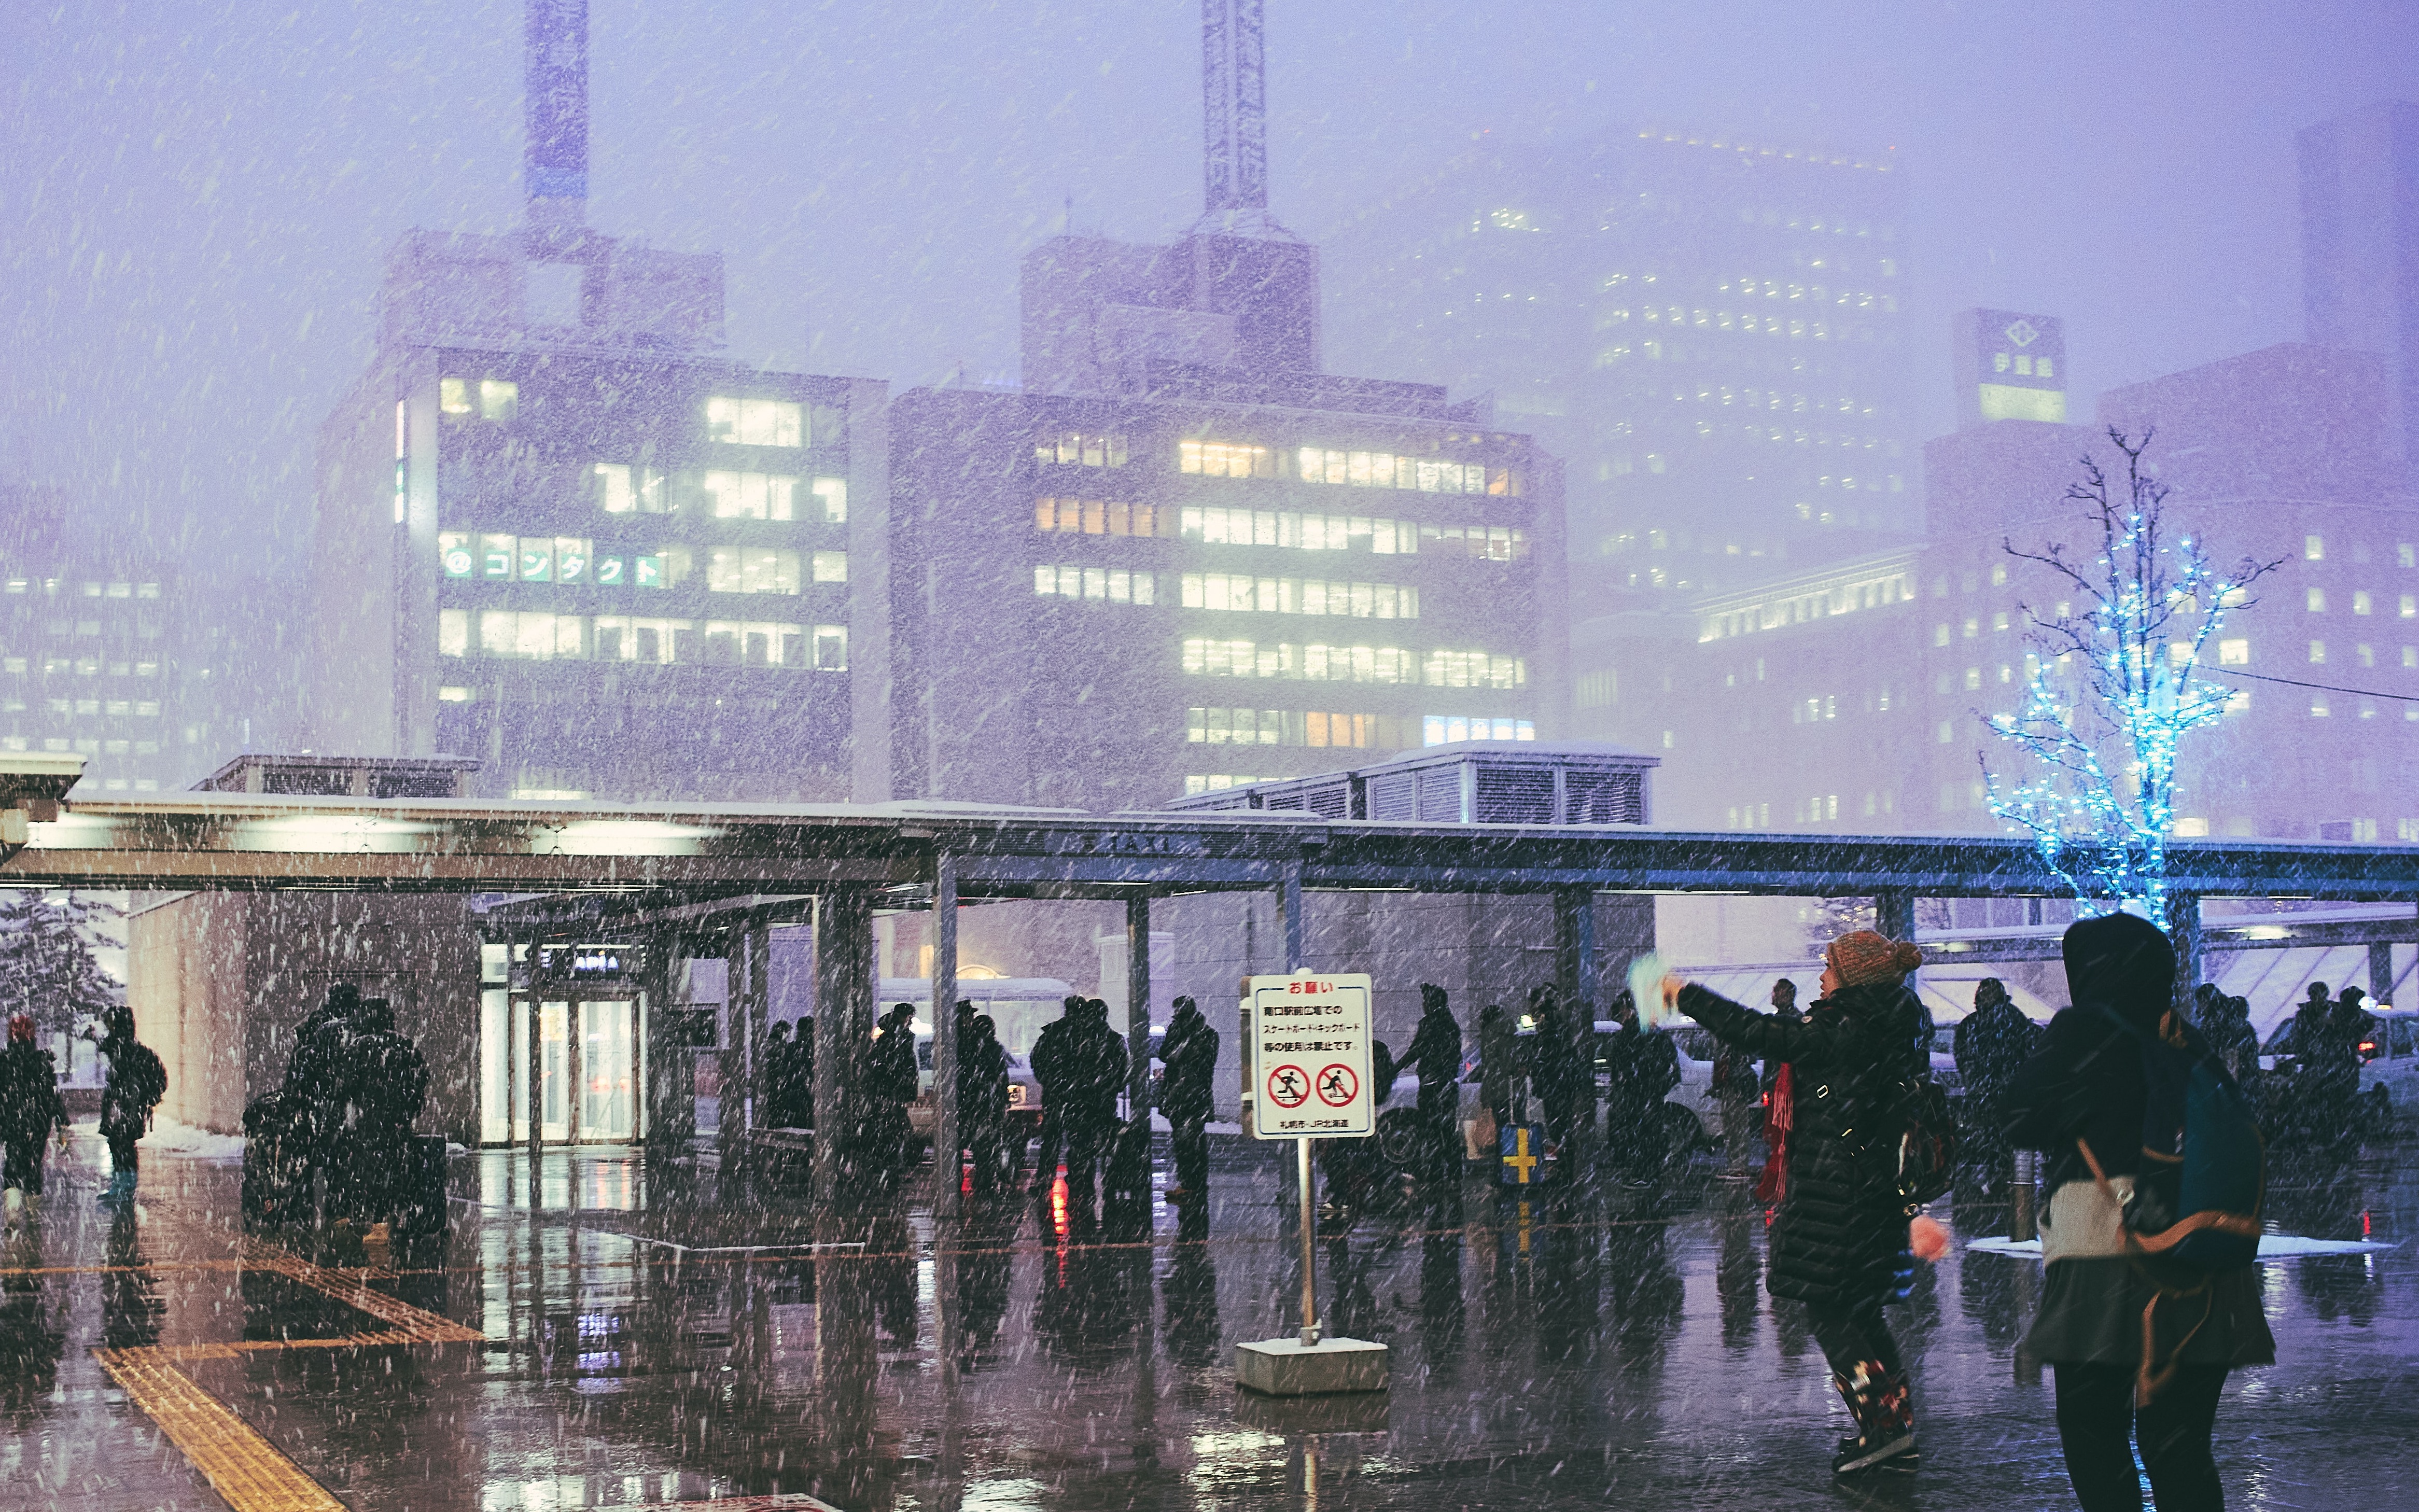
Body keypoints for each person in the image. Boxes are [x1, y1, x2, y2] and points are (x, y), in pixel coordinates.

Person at [2005, 913, 2274, 1512]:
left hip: (2107, 1256)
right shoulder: (2185, 1037)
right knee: (2178, 1443)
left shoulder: (2085, 1030)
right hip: (2202, 1254)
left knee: (2093, 1429)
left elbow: (2018, 1116)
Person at [1664, 930, 1931, 1476]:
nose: (1821, 977)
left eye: (1829, 968)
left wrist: (1686, 995)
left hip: (1842, 1194)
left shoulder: (1846, 1026)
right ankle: (1894, 1425)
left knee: (1832, 1314)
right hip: (1872, 1190)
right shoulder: (1890, 1020)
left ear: (1851, 977)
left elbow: (1760, 1032)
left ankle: (1881, 1429)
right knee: (1861, 1311)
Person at [340, 999, 428, 1226]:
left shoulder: (359, 1047)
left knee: (366, 1168)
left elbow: (347, 1085)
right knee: (398, 1165)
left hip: (369, 1121)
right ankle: (397, 1214)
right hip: (397, 1120)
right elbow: (421, 1077)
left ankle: (368, 1213)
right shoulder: (404, 1045)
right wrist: (410, 1106)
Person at [1954, 977, 2040, 1185]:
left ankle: (1985, 1189)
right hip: (2010, 1095)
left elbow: (1963, 1057)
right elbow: (2030, 1048)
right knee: (2008, 1146)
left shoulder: (1970, 1024)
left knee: (1983, 1146)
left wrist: (1975, 1082)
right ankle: (2008, 1187)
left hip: (1982, 1098)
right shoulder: (2015, 1019)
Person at [1600, 991, 1681, 1182]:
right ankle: (1648, 1172)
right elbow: (1669, 1066)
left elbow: (1629, 1063)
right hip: (1645, 1094)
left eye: (1622, 1013)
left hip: (1639, 1095)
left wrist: (1633, 1082)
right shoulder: (1649, 1032)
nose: (1620, 1019)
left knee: (1640, 1134)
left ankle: (1644, 1173)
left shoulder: (1637, 1033)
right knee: (1646, 1134)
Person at [1058, 999, 1128, 1216]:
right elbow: (1123, 1071)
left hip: (1081, 1102)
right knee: (1105, 1144)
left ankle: (1082, 1185)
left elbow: (1065, 1068)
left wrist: (1072, 1089)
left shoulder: (1077, 1039)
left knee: (1081, 1145)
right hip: (1102, 1102)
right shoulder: (1114, 1040)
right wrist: (1110, 1086)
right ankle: (1108, 1182)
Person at [94, 1006, 166, 1209]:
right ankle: (123, 1188)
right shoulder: (139, 1052)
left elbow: (159, 1079)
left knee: (121, 1148)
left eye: (111, 1024)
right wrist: (149, 1098)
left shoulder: (124, 1049)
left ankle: (124, 1189)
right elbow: (160, 1079)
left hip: (124, 1107)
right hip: (128, 1108)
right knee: (122, 1147)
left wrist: (146, 1097)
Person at [2, 1014, 69, 1225]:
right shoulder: (42, 1062)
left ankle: (13, 1209)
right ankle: (32, 1212)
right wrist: (62, 1124)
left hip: (12, 1120)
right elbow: (52, 1095)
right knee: (33, 1165)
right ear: (32, 1037)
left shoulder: (4, 1061)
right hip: (38, 1121)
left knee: (13, 1162)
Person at [1395, 985, 1463, 1188]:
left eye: (1426, 1001)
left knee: (1432, 1132)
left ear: (1433, 1003)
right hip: (1447, 1085)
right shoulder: (1452, 1025)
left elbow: (1416, 1050)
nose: (1423, 1005)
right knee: (1448, 1131)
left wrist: (1395, 1068)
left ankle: (1435, 1175)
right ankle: (1454, 1173)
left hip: (1432, 1086)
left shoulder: (1430, 1024)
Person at [1156, 996, 1218, 1202]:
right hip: (1194, 1097)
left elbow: (1168, 1055)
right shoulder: (1208, 1034)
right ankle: (1195, 1185)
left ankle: (1190, 1185)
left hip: (1184, 1097)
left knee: (1187, 1144)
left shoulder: (1194, 1034)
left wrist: (1181, 1038)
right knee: (1193, 1143)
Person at [1026, 996, 1083, 1196]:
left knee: (1051, 1139)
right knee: (1078, 1139)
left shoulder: (1052, 1033)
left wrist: (1048, 1080)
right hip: (1079, 1095)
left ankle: (1045, 1178)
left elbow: (1036, 1059)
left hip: (1056, 1093)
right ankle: (1077, 1179)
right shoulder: (1084, 1034)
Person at [1528, 986, 1591, 1165]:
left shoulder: (1550, 1028)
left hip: (1556, 1085)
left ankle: (1566, 1165)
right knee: (1560, 1126)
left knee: (1559, 1126)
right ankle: (1565, 1164)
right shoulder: (1553, 1026)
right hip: (1558, 1084)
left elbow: (1549, 1056)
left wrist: (1541, 1075)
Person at [958, 1006, 1012, 1195]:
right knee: (989, 1142)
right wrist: (1003, 1101)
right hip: (989, 1103)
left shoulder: (967, 1046)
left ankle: (982, 1177)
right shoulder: (994, 1048)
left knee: (977, 1140)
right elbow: (1001, 1077)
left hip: (973, 1102)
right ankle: (987, 1178)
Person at [866, 1002, 920, 1179]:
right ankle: (893, 1167)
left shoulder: (892, 1036)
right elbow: (891, 1065)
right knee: (897, 1131)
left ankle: (890, 1167)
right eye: (909, 1017)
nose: (910, 1022)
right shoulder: (893, 1038)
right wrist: (901, 1082)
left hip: (891, 1092)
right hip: (892, 1092)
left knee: (895, 1131)